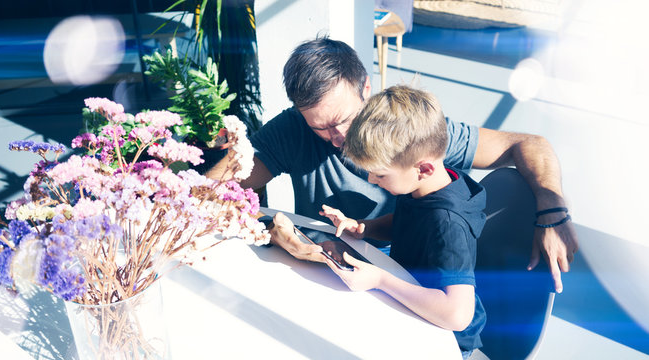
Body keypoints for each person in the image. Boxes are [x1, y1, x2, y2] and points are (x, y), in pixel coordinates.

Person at [206, 36, 578, 293]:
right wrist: (270, 230)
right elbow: (207, 194)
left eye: (344, 120)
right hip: (321, 273)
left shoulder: (408, 131)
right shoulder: (293, 129)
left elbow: (529, 144)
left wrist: (552, 212)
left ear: (365, 88)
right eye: (320, 127)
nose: (338, 137)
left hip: (402, 283)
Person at [320, 85, 485, 359]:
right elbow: (405, 222)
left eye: (380, 175)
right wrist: (363, 228)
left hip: (446, 340)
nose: (372, 181)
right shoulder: (423, 186)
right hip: (410, 303)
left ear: (423, 168)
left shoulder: (448, 222)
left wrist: (380, 280)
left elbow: (457, 315)